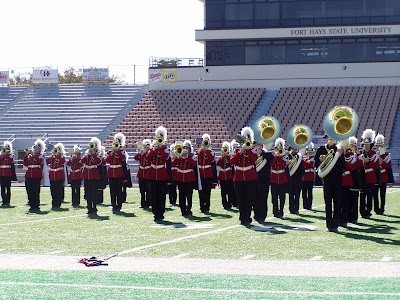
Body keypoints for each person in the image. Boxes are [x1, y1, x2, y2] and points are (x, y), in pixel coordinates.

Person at [315, 134, 344, 232]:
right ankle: (328, 224)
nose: (329, 138)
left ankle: (335, 225)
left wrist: (338, 157)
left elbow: (343, 166)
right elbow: (316, 165)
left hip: (337, 179)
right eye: (327, 137)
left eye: (331, 136)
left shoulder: (338, 149)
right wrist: (321, 161)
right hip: (326, 180)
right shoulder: (321, 150)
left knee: (337, 202)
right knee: (328, 203)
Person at [230, 127, 258, 225]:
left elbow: (255, 159)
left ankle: (247, 217)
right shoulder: (237, 150)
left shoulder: (253, 150)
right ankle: (242, 217)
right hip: (238, 178)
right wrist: (240, 152)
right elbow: (232, 161)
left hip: (250, 177)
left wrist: (248, 149)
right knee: (240, 199)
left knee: (249, 199)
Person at [146, 126, 170, 222]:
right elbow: (148, 158)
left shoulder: (166, 149)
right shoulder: (153, 148)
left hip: (161, 174)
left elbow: (165, 158)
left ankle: (161, 213)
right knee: (153, 195)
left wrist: (160, 148)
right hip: (152, 174)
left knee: (161, 195)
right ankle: (155, 213)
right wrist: (154, 148)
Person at [172, 140, 197, 217]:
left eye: (187, 148)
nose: (185, 149)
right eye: (184, 148)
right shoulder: (179, 156)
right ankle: (183, 210)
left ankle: (189, 209)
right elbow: (173, 163)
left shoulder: (193, 156)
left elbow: (194, 164)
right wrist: (178, 156)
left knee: (189, 195)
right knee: (181, 195)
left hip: (189, 178)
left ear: (190, 149)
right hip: (180, 178)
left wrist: (187, 157)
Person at [358, 129, 379, 219]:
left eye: (367, 144)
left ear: (371, 145)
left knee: (369, 195)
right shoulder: (360, 154)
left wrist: (368, 161)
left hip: (370, 177)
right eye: (364, 144)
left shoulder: (374, 154)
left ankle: (368, 211)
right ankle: (362, 211)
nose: (365, 146)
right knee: (362, 194)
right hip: (362, 177)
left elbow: (376, 165)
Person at [106, 133, 127, 213]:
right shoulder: (110, 152)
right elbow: (107, 160)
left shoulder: (122, 152)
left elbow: (123, 160)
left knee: (118, 191)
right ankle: (113, 205)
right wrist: (112, 152)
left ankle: (119, 205)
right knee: (112, 191)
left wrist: (117, 151)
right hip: (111, 173)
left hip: (119, 173)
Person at [253, 141, 274, 222]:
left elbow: (271, 158)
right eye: (256, 145)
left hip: (264, 179)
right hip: (254, 179)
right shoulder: (253, 154)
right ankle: (256, 214)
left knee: (263, 198)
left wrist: (262, 152)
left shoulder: (267, 153)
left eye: (259, 145)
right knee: (255, 198)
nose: (257, 146)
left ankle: (262, 215)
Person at [80, 138, 101, 216]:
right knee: (88, 193)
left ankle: (94, 207)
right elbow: (82, 161)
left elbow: (98, 162)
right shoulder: (87, 156)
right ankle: (89, 208)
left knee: (94, 193)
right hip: (87, 176)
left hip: (94, 176)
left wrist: (93, 154)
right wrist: (87, 154)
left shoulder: (97, 156)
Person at [341, 137, 359, 227]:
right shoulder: (340, 153)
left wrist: (343, 159)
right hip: (339, 179)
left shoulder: (351, 155)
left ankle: (350, 217)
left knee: (348, 201)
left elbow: (353, 167)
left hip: (349, 179)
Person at [373, 134, 393, 215]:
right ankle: (376, 208)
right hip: (376, 176)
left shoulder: (387, 155)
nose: (379, 147)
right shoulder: (374, 154)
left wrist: (382, 162)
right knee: (375, 194)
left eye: (380, 145)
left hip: (383, 177)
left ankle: (382, 209)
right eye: (377, 145)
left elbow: (389, 166)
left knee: (382, 194)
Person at [270, 138, 289, 218]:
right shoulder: (273, 156)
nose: (279, 150)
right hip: (274, 178)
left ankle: (281, 210)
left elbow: (283, 165)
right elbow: (271, 164)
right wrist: (276, 156)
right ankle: (275, 211)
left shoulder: (285, 157)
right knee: (274, 197)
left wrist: (280, 156)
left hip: (282, 178)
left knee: (282, 196)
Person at [24, 139, 45, 212]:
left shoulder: (41, 156)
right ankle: (31, 204)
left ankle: (36, 205)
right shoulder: (30, 156)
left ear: (39, 149)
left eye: (36, 148)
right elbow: (26, 164)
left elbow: (39, 162)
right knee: (29, 191)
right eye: (34, 148)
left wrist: (33, 156)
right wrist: (26, 155)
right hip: (29, 175)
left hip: (36, 175)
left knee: (36, 191)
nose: (34, 149)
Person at [196, 133, 215, 214]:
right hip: (201, 174)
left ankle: (207, 207)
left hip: (208, 174)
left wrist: (207, 150)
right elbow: (195, 159)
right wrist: (200, 151)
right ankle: (202, 207)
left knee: (207, 192)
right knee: (201, 191)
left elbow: (212, 159)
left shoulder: (211, 152)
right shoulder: (199, 151)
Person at [46, 143, 66, 210]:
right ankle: (54, 203)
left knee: (58, 191)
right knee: (53, 191)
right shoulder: (52, 157)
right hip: (52, 175)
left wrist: (58, 155)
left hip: (59, 176)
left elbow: (63, 162)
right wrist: (52, 156)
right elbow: (47, 161)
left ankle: (58, 204)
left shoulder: (62, 157)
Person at [217, 141, 235, 210]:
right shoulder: (221, 157)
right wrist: (222, 156)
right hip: (222, 176)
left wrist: (227, 156)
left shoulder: (230, 157)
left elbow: (231, 163)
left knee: (230, 191)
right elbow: (218, 163)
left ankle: (229, 204)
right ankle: (224, 204)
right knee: (223, 192)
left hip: (229, 175)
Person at [134, 139, 151, 209]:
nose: (146, 147)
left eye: (147, 146)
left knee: (148, 190)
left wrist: (143, 154)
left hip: (148, 172)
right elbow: (135, 158)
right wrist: (138, 152)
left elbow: (148, 159)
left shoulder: (150, 153)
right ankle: (142, 203)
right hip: (141, 173)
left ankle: (148, 203)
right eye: (145, 146)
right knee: (142, 190)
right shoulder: (141, 153)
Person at [288, 147, 305, 214]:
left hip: (297, 178)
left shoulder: (299, 157)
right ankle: (291, 209)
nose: (293, 150)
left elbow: (302, 168)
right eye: (292, 148)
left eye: (294, 148)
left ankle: (296, 209)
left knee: (297, 194)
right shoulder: (287, 156)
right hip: (290, 178)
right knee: (291, 194)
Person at [0, 141, 15, 206]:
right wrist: (3, 155)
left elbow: (10, 161)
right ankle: (3, 200)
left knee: (8, 188)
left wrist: (6, 154)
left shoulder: (10, 155)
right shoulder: (1, 155)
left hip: (8, 173)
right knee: (2, 188)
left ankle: (8, 200)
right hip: (1, 173)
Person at [302, 143, 315, 210]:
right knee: (304, 192)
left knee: (310, 192)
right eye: (309, 152)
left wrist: (308, 162)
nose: (310, 153)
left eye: (311, 152)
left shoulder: (313, 159)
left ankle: (309, 205)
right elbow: (307, 163)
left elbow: (310, 164)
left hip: (310, 178)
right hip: (305, 178)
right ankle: (305, 205)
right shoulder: (304, 159)